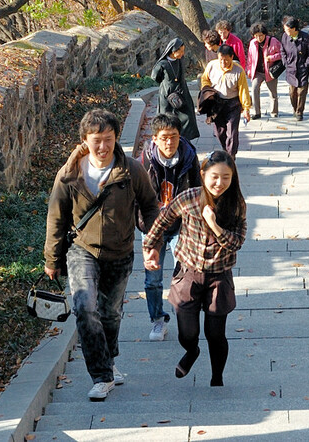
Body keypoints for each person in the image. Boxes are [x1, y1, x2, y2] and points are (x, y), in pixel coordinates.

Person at [43, 109, 160, 401]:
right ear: (85, 140)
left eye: (108, 139)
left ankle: (109, 359)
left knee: (111, 314)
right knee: (85, 307)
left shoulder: (131, 170)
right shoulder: (69, 174)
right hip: (82, 250)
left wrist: (152, 239)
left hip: (120, 253)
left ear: (116, 138)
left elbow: (150, 206)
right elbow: (56, 218)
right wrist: (52, 260)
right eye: (97, 140)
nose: (103, 147)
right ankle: (101, 375)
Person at [142, 149, 247, 388]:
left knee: (215, 333)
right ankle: (192, 351)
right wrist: (151, 248)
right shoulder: (188, 197)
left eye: (226, 177)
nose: (220, 183)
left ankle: (216, 379)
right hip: (188, 273)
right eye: (214, 177)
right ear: (203, 174)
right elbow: (162, 219)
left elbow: (237, 243)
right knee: (187, 333)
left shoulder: (236, 203)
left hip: (219, 276)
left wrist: (214, 224)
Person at [138, 114, 201, 342]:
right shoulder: (144, 162)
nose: (169, 143)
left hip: (180, 226)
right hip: (153, 227)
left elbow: (198, 191)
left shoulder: (189, 156)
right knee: (152, 279)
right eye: (164, 138)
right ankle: (157, 321)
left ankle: (183, 315)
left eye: (173, 137)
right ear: (155, 139)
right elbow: (137, 199)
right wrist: (145, 228)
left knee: (184, 273)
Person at [200, 44, 251, 158]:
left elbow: (243, 90)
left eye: (226, 60)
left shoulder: (238, 71)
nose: (223, 63)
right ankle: (226, 150)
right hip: (217, 104)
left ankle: (231, 155)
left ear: (232, 57)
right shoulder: (212, 65)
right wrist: (207, 91)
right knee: (219, 132)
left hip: (233, 104)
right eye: (221, 60)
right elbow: (205, 79)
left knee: (232, 132)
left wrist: (246, 109)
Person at [151, 38, 199, 142]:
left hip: (182, 93)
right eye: (180, 51)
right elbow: (155, 77)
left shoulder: (180, 60)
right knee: (167, 118)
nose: (183, 53)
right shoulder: (162, 64)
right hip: (167, 96)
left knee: (187, 117)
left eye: (183, 50)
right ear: (173, 51)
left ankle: (183, 140)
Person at [279, 15, 309, 121]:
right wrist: (285, 62)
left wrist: (306, 64)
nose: (285, 31)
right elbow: (282, 50)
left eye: (287, 29)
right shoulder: (285, 37)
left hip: (303, 68)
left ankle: (300, 111)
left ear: (294, 28)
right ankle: (295, 108)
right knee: (292, 92)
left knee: (302, 91)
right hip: (291, 68)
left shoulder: (305, 37)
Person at [246, 22, 283, 119]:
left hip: (270, 71)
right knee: (254, 89)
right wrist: (249, 70)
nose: (259, 38)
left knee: (272, 93)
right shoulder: (252, 43)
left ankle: (274, 112)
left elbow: (282, 54)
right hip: (257, 72)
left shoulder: (273, 41)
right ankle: (257, 112)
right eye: (256, 36)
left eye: (261, 36)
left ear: (265, 34)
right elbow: (250, 58)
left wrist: (272, 58)